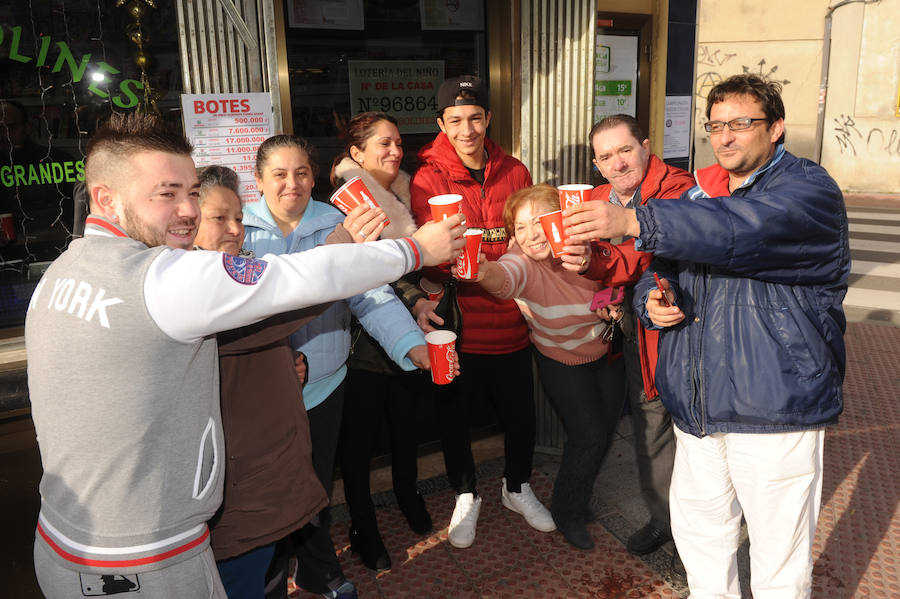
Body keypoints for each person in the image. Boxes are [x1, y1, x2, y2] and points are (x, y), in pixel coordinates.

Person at [24, 112, 464, 599]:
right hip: (142, 557)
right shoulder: (159, 278)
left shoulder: (63, 270)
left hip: (66, 541)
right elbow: (289, 282)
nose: (187, 211)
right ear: (106, 198)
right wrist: (414, 250)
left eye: (192, 192)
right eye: (166, 194)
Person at [563, 74, 849, 598]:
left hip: (772, 402)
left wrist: (631, 220)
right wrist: (652, 300)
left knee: (777, 555)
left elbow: (740, 230)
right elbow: (661, 268)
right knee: (702, 536)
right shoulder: (702, 192)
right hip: (699, 401)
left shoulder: (807, 189)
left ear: (777, 128)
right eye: (716, 125)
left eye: (742, 123)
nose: (726, 137)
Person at [242, 134, 434, 598]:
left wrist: (412, 346)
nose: (293, 184)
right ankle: (267, 578)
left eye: (302, 172)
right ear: (259, 181)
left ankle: (316, 568)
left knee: (315, 487)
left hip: (324, 386)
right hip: (260, 395)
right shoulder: (238, 231)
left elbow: (370, 293)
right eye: (280, 175)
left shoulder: (337, 223)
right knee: (262, 493)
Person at [410, 74, 554, 549]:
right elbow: (424, 254)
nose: (467, 129)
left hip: (512, 317)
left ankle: (517, 487)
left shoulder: (515, 170)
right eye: (455, 120)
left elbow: (531, 236)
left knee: (520, 415)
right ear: (441, 123)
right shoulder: (428, 177)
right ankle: (466, 492)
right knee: (454, 416)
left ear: (488, 118)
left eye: (475, 117)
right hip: (458, 324)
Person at [465, 184, 625, 549]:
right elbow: (504, 281)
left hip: (608, 350)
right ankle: (567, 512)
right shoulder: (522, 261)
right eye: (520, 227)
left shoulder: (587, 243)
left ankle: (579, 497)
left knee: (605, 429)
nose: (531, 233)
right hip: (561, 360)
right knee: (589, 436)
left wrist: (610, 300)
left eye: (540, 221)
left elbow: (619, 279)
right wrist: (477, 268)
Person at [193, 165, 328, 599]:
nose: (235, 230)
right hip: (238, 476)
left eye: (239, 218)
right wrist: (348, 247)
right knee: (242, 579)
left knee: (268, 568)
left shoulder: (236, 269)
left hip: (267, 465)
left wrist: (292, 358)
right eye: (219, 219)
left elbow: (261, 340)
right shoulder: (196, 286)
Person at [570, 114, 695, 555]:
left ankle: (700, 531)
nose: (619, 164)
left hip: (682, 338)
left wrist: (591, 262)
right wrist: (599, 287)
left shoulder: (679, 189)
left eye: (625, 150)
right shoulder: (597, 199)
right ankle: (666, 522)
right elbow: (609, 275)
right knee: (651, 433)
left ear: (645, 146)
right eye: (606, 157)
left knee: (698, 443)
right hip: (635, 337)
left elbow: (642, 260)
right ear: (596, 165)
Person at [331, 112, 435, 573]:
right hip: (361, 345)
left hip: (410, 331)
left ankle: (409, 495)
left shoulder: (403, 193)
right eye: (383, 145)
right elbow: (363, 276)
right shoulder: (346, 202)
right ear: (356, 154)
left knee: (406, 428)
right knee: (359, 443)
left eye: (398, 144)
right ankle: (362, 525)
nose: (395, 152)